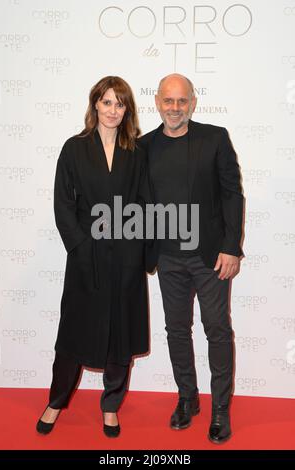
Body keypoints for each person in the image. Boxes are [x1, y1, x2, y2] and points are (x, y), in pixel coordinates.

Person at [36, 76, 149, 438]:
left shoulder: (137, 151)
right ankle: (55, 401)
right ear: (95, 104)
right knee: (73, 333)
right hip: (86, 254)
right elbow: (63, 204)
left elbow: (146, 204)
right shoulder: (74, 148)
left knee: (121, 334)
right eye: (107, 102)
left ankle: (111, 406)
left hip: (127, 255)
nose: (113, 110)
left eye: (120, 103)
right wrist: (80, 247)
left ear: (126, 109)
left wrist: (140, 251)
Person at [139, 74, 244, 444]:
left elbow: (232, 194)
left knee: (217, 328)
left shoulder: (214, 138)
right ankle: (187, 399)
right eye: (168, 101)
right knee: (176, 330)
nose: (175, 108)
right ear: (157, 102)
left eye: (182, 101)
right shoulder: (143, 146)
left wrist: (232, 247)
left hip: (211, 257)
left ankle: (219, 408)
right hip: (167, 258)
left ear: (193, 103)